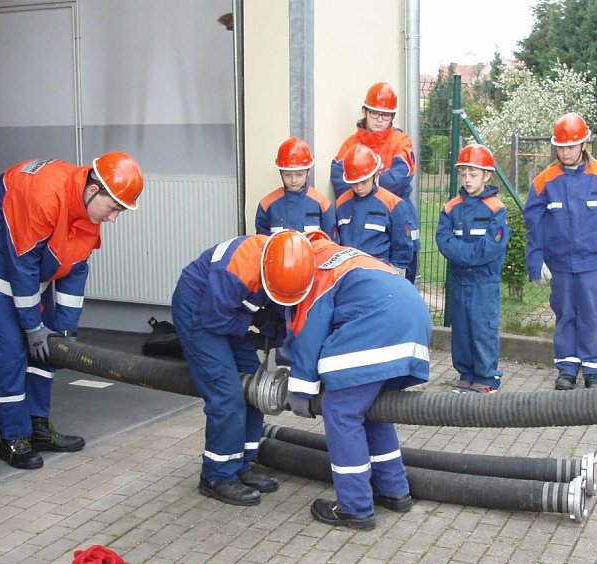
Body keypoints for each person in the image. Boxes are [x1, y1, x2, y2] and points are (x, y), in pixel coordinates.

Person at [0, 153, 144, 469]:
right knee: (8, 349)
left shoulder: (87, 213)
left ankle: (37, 428)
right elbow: (21, 266)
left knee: (48, 348)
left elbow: (75, 268)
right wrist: (32, 326)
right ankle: (12, 439)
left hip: (30, 261)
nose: (114, 218)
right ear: (94, 189)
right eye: (114, 208)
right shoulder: (45, 197)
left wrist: (64, 331)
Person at [273, 231, 431, 530]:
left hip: (379, 326)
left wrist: (300, 389)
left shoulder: (314, 271)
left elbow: (308, 332)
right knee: (372, 413)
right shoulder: (343, 256)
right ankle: (394, 491)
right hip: (413, 323)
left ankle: (355, 507)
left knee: (341, 411)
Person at [170, 232, 309, 506]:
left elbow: (279, 307)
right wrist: (251, 327)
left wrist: (275, 330)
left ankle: (241, 465)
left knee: (256, 388)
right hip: (201, 310)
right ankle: (217, 476)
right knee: (228, 395)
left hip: (230, 309)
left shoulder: (292, 263)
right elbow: (216, 319)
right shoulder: (236, 270)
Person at [524, 112, 597, 390]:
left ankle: (594, 371)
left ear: (583, 145)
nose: (565, 151)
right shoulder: (544, 181)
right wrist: (536, 261)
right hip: (560, 264)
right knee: (565, 315)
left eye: (570, 146)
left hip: (592, 263)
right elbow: (533, 225)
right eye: (560, 146)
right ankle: (567, 369)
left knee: (592, 316)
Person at [435, 144, 510, 393]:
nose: (467, 179)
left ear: (487, 175)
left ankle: (487, 378)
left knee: (482, 327)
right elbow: (443, 239)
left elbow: (492, 245)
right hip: (459, 281)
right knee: (462, 329)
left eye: (473, 174)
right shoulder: (451, 207)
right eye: (464, 173)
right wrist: (464, 256)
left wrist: (464, 256)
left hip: (484, 282)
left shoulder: (497, 209)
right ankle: (466, 374)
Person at [330, 82, 420, 281]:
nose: (380, 119)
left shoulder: (401, 141)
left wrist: (366, 182)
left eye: (385, 115)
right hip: (359, 225)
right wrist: (371, 184)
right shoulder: (351, 144)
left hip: (400, 223)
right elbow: (339, 178)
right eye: (374, 113)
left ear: (392, 117)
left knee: (403, 289)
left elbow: (401, 178)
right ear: (365, 111)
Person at [334, 144, 418, 275]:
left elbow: (402, 245)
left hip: (380, 271)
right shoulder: (341, 203)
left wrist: (396, 271)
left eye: (364, 182)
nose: (359, 188)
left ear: (376, 175)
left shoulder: (393, 204)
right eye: (354, 183)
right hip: (348, 271)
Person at [254, 137, 337, 239]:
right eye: (288, 175)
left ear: (308, 171)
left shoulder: (322, 204)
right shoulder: (267, 205)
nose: (293, 180)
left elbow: (331, 244)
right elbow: (262, 244)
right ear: (280, 172)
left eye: (299, 175)